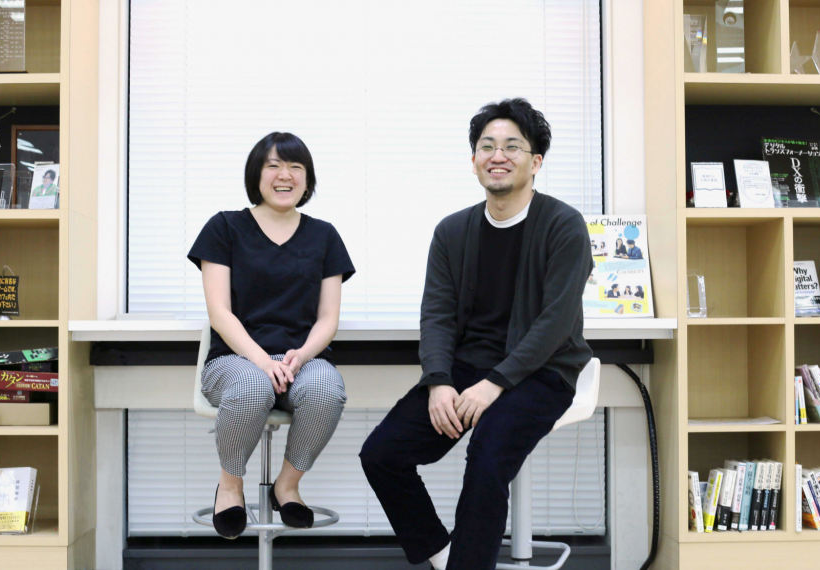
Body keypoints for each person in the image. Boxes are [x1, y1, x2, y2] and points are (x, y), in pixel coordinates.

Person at [360, 98, 593, 570]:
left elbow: (555, 323)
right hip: (467, 370)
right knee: (382, 453)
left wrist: (494, 385)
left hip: (543, 373)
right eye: (487, 146)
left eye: (512, 146)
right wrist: (439, 381)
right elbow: (437, 315)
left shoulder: (563, 225)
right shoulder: (452, 231)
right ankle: (447, 555)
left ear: (536, 161)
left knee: (487, 458)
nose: (497, 155)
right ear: (473, 161)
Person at [188, 132, 355, 539]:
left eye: (296, 167)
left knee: (327, 389)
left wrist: (298, 356)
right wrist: (264, 362)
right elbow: (220, 313)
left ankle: (288, 484)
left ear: (307, 179)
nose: (286, 175)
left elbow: (328, 318)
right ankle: (230, 486)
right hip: (235, 360)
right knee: (250, 388)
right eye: (274, 165)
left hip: (302, 360)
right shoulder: (225, 227)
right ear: (256, 175)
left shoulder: (325, 235)